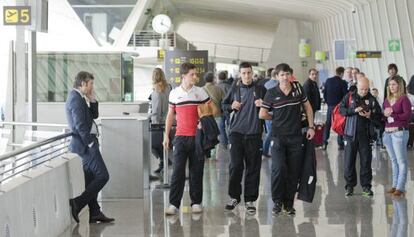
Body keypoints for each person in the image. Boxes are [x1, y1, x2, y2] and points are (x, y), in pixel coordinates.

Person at [259, 63, 315, 216]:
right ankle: (277, 201)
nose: (284, 77)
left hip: (296, 137)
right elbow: (262, 114)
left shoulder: (298, 89)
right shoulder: (271, 93)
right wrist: (275, 118)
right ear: (276, 77)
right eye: (281, 75)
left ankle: (288, 203)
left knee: (293, 171)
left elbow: (308, 107)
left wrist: (311, 127)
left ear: (291, 75)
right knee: (278, 169)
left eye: (287, 74)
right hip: (277, 138)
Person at [163, 62, 217, 215]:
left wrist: (203, 116)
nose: (195, 77)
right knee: (177, 172)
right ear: (183, 76)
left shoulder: (200, 92)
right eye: (192, 74)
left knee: (196, 171)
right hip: (180, 137)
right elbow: (170, 115)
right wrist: (166, 135)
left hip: (198, 138)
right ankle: (174, 204)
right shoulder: (174, 93)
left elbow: (213, 109)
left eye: (195, 74)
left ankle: (196, 202)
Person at [66, 71, 114, 224]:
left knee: (91, 178)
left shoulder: (81, 98)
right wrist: (91, 143)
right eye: (91, 84)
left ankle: (94, 212)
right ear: (83, 84)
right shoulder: (75, 99)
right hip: (86, 146)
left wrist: (92, 100)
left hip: (87, 145)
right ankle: (77, 203)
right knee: (103, 176)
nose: (93, 86)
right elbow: (80, 126)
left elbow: (94, 116)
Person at [222, 62, 266, 214]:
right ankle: (234, 197)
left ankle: (250, 200)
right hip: (236, 134)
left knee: (253, 168)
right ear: (240, 75)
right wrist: (230, 106)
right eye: (244, 73)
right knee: (235, 166)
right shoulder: (234, 89)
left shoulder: (261, 89)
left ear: (252, 73)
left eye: (249, 73)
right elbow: (223, 105)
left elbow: (271, 106)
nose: (247, 76)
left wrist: (264, 104)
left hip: (254, 134)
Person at [339, 77, 382, 197]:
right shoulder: (349, 97)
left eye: (366, 89)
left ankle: (366, 186)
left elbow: (379, 116)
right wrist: (353, 110)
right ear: (357, 87)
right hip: (350, 135)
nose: (364, 91)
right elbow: (341, 110)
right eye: (362, 89)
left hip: (366, 136)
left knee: (366, 162)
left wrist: (370, 115)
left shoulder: (372, 99)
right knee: (348, 162)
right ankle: (349, 186)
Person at [383, 76, 412, 197]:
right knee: (393, 161)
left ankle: (400, 187)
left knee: (401, 161)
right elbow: (384, 116)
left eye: (394, 84)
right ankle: (395, 185)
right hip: (387, 133)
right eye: (390, 85)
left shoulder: (404, 99)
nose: (391, 87)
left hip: (399, 132)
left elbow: (408, 116)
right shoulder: (386, 99)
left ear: (399, 85)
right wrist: (384, 114)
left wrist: (394, 115)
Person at [149, 68, 171, 174]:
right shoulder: (169, 87)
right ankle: (164, 162)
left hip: (159, 122)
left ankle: (164, 161)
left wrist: (154, 122)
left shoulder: (156, 91)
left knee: (152, 144)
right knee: (162, 143)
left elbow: (156, 109)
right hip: (169, 120)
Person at [322, 66, 348, 150]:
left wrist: (328, 102)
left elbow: (324, 93)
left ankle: (324, 142)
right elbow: (345, 95)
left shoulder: (328, 81)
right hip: (339, 106)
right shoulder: (342, 82)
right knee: (339, 123)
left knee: (328, 123)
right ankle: (340, 144)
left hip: (330, 106)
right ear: (341, 73)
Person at [203, 71, 225, 157]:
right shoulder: (218, 89)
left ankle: (207, 152)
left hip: (206, 116)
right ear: (213, 79)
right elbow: (224, 101)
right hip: (217, 115)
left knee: (207, 134)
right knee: (217, 134)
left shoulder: (201, 89)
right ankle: (214, 154)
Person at [217, 71, 232, 147]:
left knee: (221, 127)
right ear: (226, 77)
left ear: (218, 78)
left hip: (220, 110)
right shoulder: (230, 86)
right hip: (228, 109)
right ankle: (231, 141)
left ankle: (224, 143)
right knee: (230, 126)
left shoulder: (217, 87)